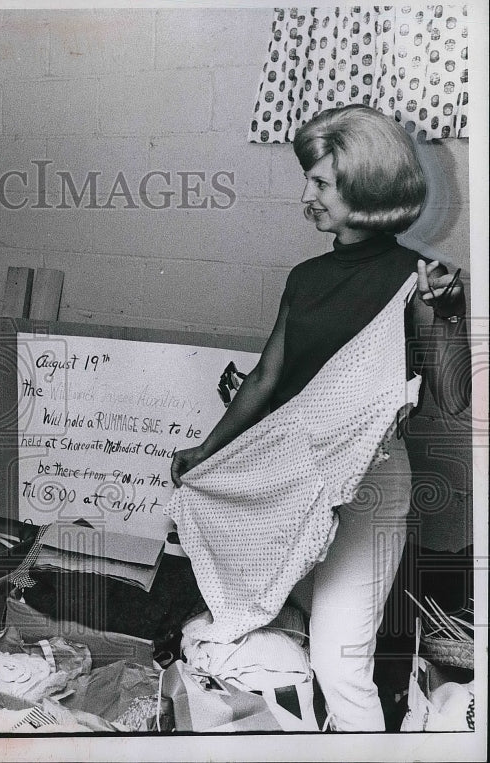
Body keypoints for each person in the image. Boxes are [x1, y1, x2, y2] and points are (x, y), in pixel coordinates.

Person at [168, 104, 471, 731]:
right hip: (294, 483)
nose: (306, 195)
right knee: (275, 640)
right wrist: (205, 453)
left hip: (368, 486)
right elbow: (265, 379)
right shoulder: (305, 278)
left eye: (321, 183)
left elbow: (452, 396)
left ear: (364, 189)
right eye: (309, 179)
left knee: (339, 665)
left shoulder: (417, 279)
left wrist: (444, 316)